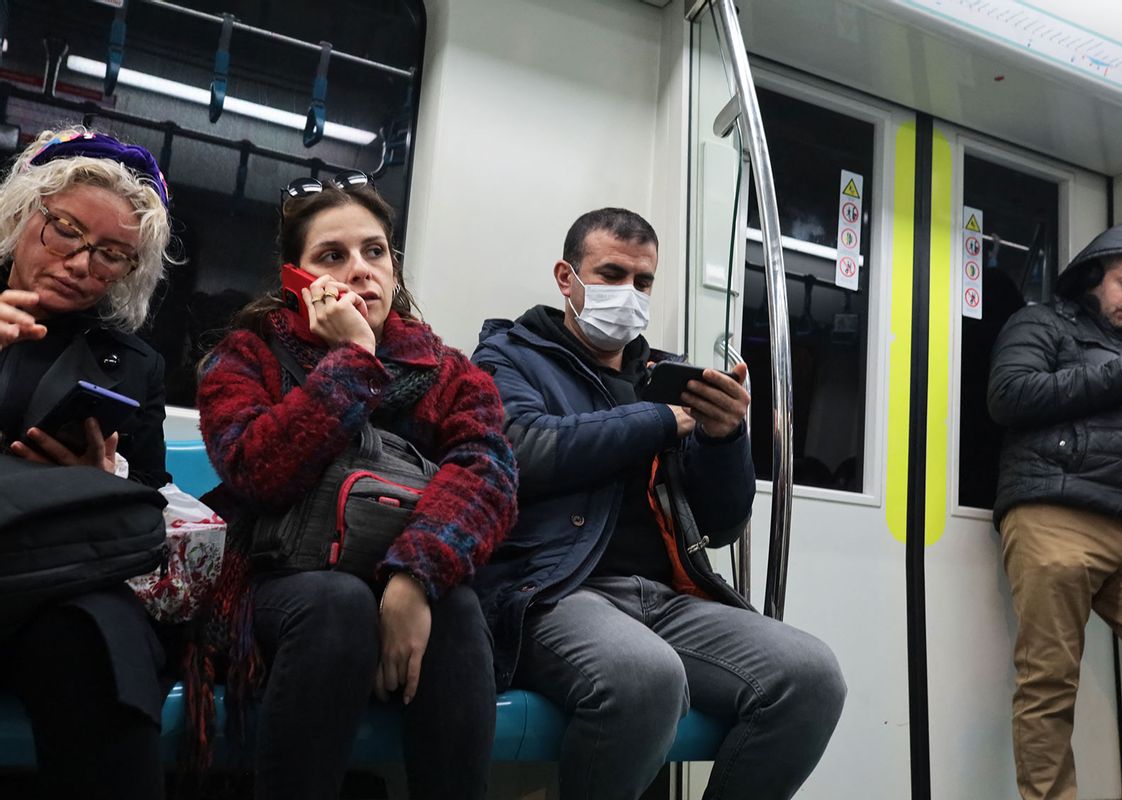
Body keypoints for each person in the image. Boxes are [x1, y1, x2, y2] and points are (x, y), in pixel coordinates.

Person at [472, 207, 846, 799]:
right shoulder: (506, 357)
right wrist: (661, 419)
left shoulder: (664, 376)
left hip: (664, 596)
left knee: (810, 677)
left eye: (642, 281)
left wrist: (724, 439)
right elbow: (523, 451)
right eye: (611, 274)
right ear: (566, 278)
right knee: (644, 676)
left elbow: (722, 525)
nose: (629, 293)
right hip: (553, 590)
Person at [194, 172, 517, 799]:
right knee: (337, 604)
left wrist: (413, 577)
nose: (360, 270)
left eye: (375, 252)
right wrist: (353, 361)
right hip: (274, 580)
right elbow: (258, 471)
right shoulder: (246, 356)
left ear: (395, 269)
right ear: (295, 277)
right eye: (332, 257)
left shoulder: (449, 371)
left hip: (403, 577)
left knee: (458, 607)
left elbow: (489, 473)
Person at [988, 223, 1122, 800]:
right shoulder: (1042, 323)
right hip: (1059, 510)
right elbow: (1008, 395)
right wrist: (1118, 376)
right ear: (1093, 278)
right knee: (1050, 685)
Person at [0, 128, 175, 798]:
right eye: (66, 230)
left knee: (100, 636)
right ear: (22, 215)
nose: (81, 263)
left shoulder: (136, 365)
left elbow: (154, 494)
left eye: (110, 255)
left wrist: (105, 483)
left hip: (56, 574)